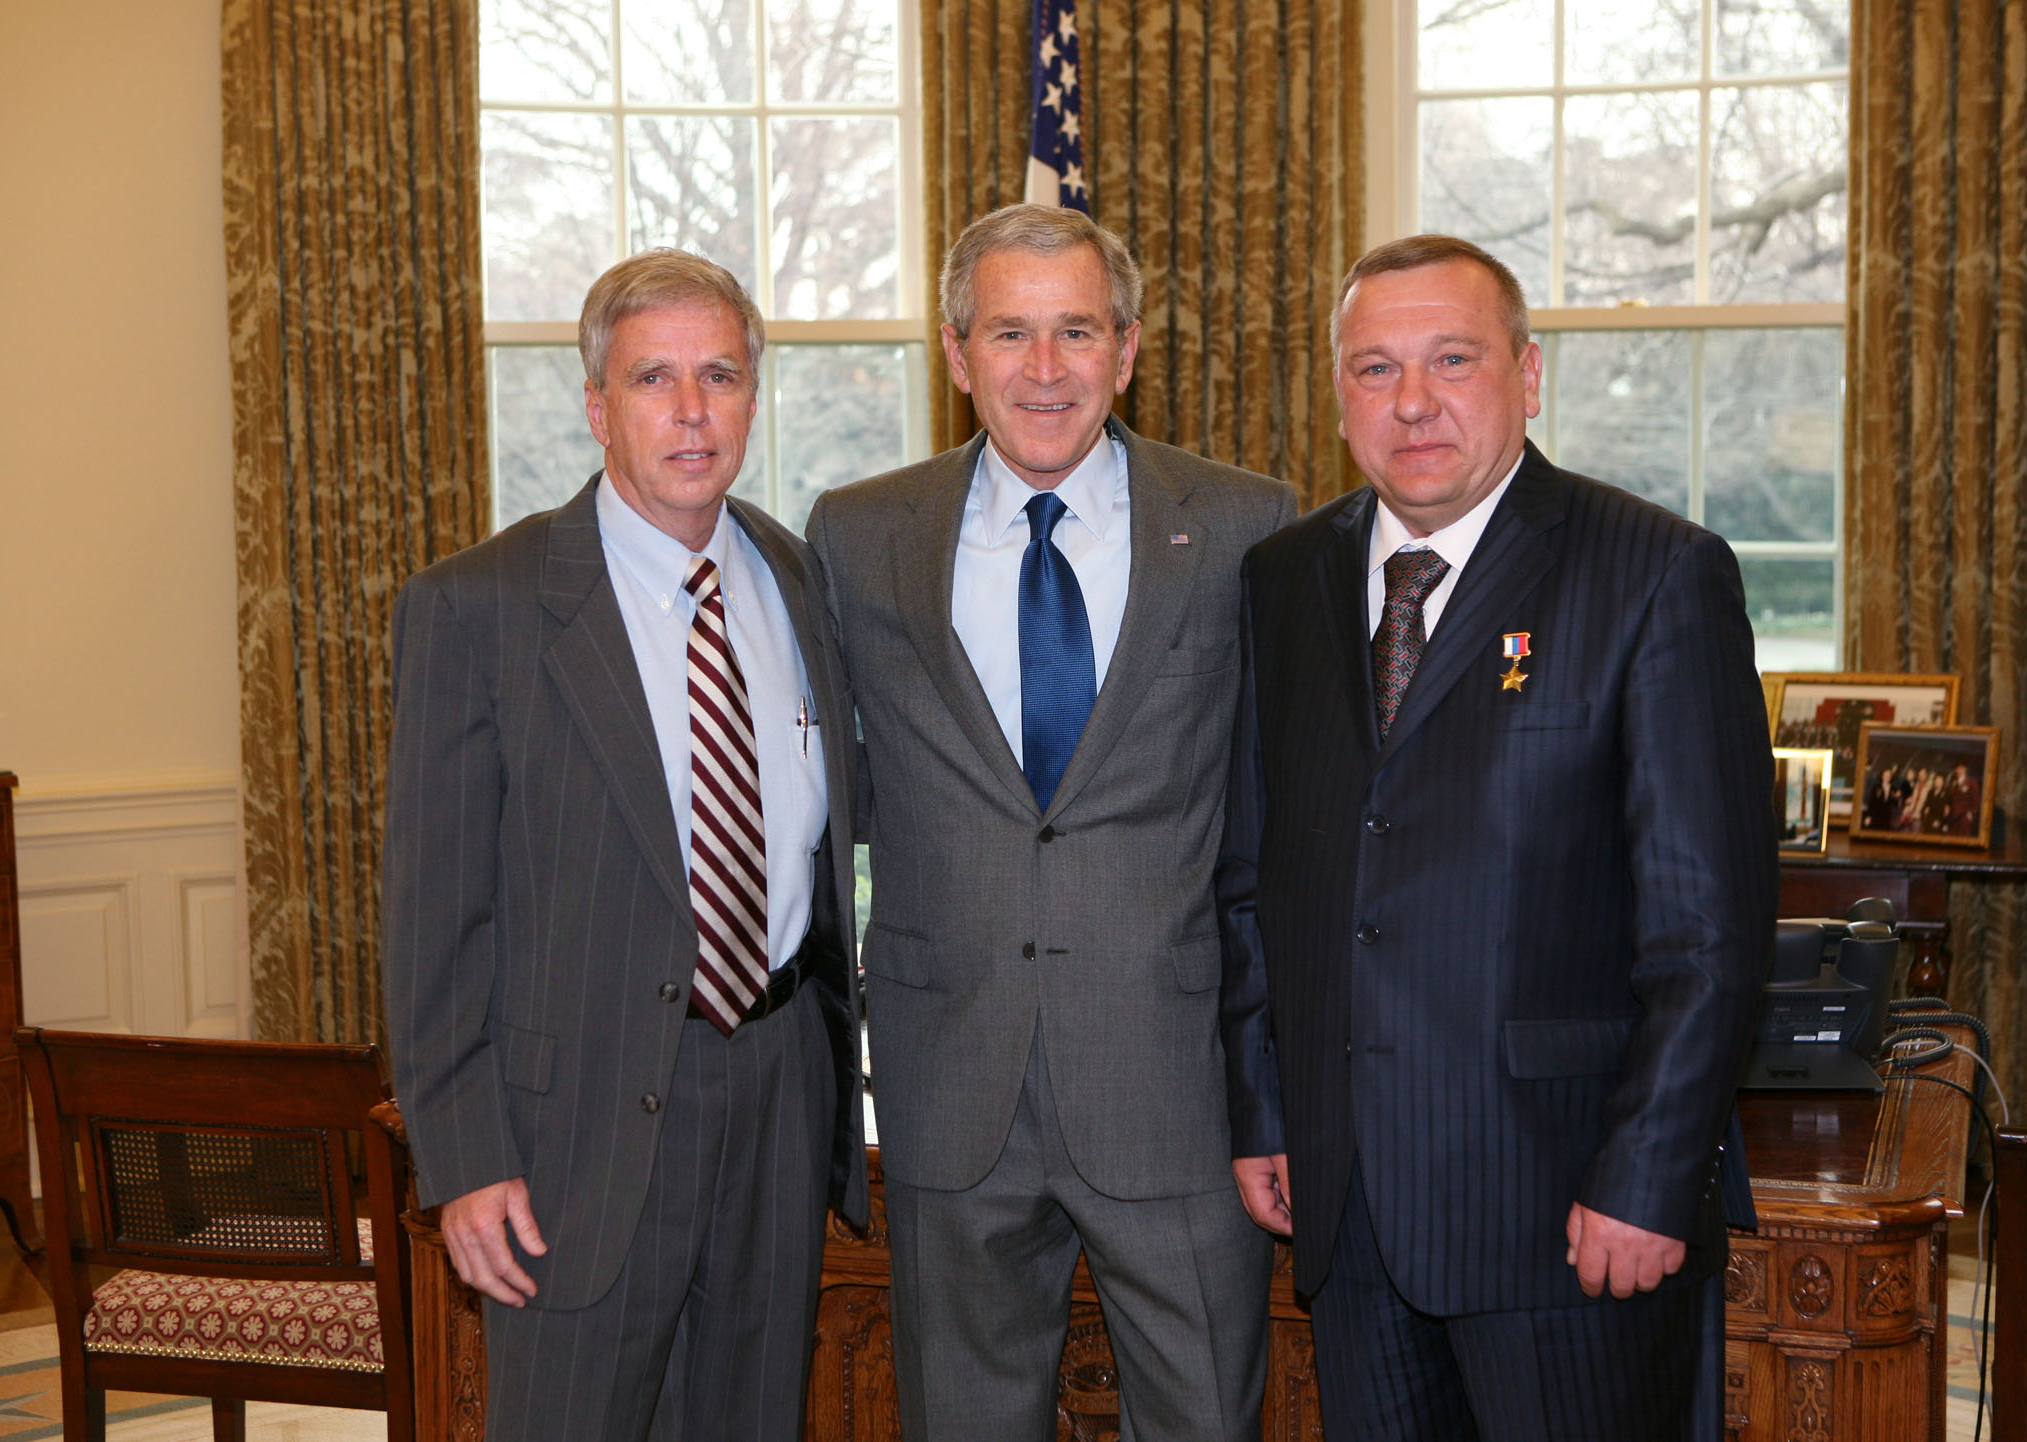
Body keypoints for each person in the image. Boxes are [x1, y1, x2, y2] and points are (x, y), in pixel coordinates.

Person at [1218, 234, 1775, 1441]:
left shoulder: (1655, 574)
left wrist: (1645, 1174)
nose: (1411, 400)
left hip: (1569, 1217)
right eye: (1373, 368)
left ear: (1527, 376)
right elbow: (1255, 874)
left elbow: (1710, 931)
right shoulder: (1281, 580)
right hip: (1350, 1203)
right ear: (1338, 393)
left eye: (1451, 359)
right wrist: (1262, 1106)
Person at [806, 203, 1296, 1442]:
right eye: (1008, 332)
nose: (1043, 368)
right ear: (956, 352)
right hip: (945, 1084)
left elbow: (1282, 826)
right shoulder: (858, 535)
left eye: (1075, 330)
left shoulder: (1247, 525)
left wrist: (1277, 1084)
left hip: (1174, 1089)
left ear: (1126, 350)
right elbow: (812, 796)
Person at [383, 249, 866, 1441]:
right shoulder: (479, 606)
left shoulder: (799, 580)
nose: (692, 411)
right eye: (655, 378)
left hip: (775, 1100)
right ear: (598, 406)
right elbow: (432, 911)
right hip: (573, 1136)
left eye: (721, 375)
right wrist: (464, 1156)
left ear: (754, 396)